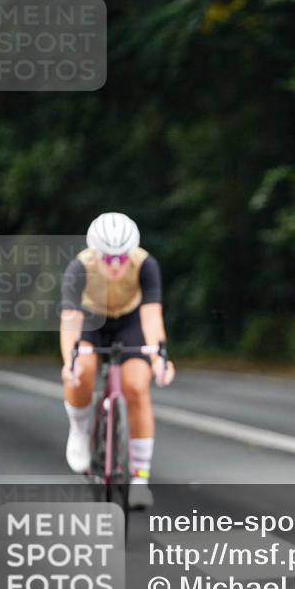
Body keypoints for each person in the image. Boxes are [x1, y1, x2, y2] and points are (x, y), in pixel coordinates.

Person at [60, 212, 175, 509]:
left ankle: (139, 478)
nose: (115, 266)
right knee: (81, 370)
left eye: (122, 259)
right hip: (91, 319)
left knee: (136, 386)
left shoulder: (146, 264)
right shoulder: (79, 267)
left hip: (130, 320)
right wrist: (69, 362)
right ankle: (80, 427)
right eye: (108, 259)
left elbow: (151, 316)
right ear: (95, 254)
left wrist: (160, 357)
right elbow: (70, 321)